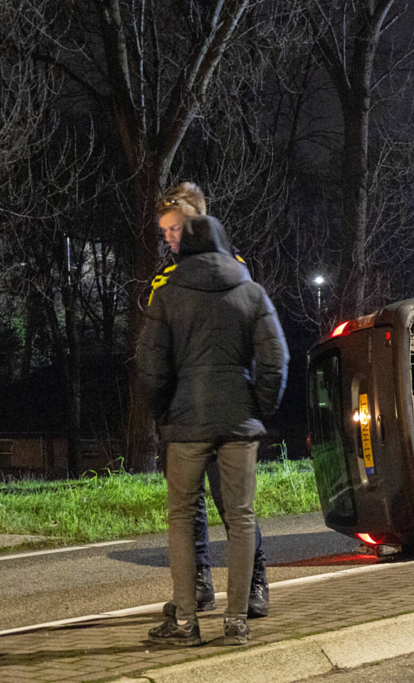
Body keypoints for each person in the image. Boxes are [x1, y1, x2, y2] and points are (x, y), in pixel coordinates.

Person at [139, 194, 288, 647]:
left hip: (187, 421)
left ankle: (186, 622)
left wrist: (166, 410)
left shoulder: (166, 294)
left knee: (182, 517)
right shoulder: (250, 291)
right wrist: (258, 407)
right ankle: (237, 621)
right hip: (238, 421)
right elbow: (276, 360)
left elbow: (150, 365)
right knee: (241, 517)